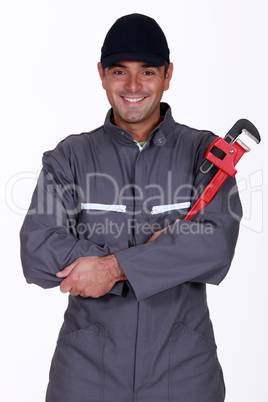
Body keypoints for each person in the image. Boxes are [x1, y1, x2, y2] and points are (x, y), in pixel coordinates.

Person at [20, 13, 242, 402]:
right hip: (86, 374)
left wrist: (112, 269)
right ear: (102, 75)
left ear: (168, 74)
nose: (134, 86)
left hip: (184, 372)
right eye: (120, 72)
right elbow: (38, 250)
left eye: (148, 72)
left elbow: (214, 245)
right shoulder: (70, 158)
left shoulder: (206, 156)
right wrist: (166, 253)